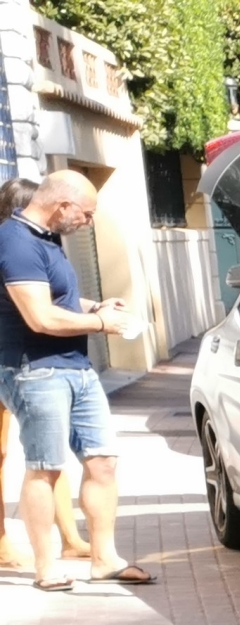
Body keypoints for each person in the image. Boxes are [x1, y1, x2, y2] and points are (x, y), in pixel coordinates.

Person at [1, 170, 145, 590]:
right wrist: (100, 323)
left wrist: (96, 305)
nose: (88, 221)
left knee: (103, 461)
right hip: (36, 369)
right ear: (61, 206)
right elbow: (40, 316)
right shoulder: (15, 242)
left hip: (76, 367)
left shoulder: (47, 239)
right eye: (85, 213)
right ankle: (46, 568)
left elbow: (58, 299)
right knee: (44, 468)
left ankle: (104, 560)